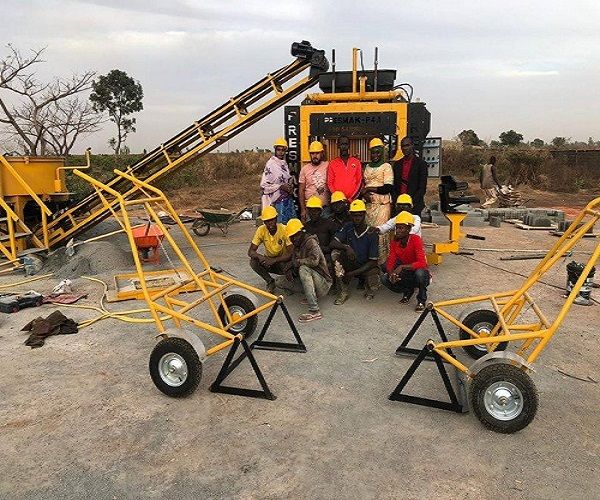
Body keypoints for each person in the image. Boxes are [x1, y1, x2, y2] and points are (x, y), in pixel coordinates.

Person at [275, 219, 332, 323]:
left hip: (323, 283)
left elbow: (314, 261)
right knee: (279, 281)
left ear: (301, 232)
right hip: (312, 280)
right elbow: (294, 261)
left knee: (303, 269)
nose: (293, 239)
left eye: (296, 235)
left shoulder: (311, 242)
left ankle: (315, 311)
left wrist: (297, 262)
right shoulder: (297, 246)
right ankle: (311, 296)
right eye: (291, 237)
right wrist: (290, 268)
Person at [329, 199, 380, 304]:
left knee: (373, 275)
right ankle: (343, 291)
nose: (357, 218)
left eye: (360, 215)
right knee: (335, 254)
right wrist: (346, 247)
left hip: (365, 265)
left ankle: (368, 287)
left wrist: (351, 274)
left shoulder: (372, 233)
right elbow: (333, 243)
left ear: (364, 215)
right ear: (350, 215)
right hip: (352, 261)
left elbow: (373, 261)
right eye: (354, 215)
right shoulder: (348, 226)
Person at [381, 211, 430, 312]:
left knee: (420, 273)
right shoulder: (395, 241)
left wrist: (402, 267)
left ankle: (421, 299)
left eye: (401, 228)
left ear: (409, 229)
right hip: (407, 271)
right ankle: (408, 290)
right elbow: (391, 259)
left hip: (418, 270)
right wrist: (391, 274)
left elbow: (422, 263)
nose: (397, 231)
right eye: (397, 228)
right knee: (385, 278)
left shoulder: (416, 239)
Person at [362, 137, 394, 262]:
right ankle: (370, 261)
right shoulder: (367, 167)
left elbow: (387, 188)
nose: (375, 155)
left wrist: (369, 189)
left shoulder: (386, 167)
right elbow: (363, 185)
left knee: (380, 234)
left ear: (382, 152)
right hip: (369, 206)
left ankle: (382, 262)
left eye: (378, 152)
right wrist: (365, 194)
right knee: (368, 233)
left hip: (382, 205)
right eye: (373, 152)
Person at [248, 206, 291, 293]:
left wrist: (274, 260)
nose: (270, 223)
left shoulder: (284, 229)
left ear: (276, 219)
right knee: (253, 262)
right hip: (269, 260)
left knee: (287, 265)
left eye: (272, 220)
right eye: (267, 221)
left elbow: (290, 253)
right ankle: (270, 282)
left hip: (283, 261)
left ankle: (288, 284)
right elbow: (251, 251)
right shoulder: (261, 230)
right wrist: (261, 257)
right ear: (264, 222)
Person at [260, 137, 296, 223]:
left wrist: (290, 185)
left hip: (287, 199)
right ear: (275, 150)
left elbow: (286, 178)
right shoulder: (271, 164)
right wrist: (280, 187)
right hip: (277, 201)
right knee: (280, 226)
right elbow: (264, 185)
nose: (281, 152)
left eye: (283, 150)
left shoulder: (284, 164)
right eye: (279, 150)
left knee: (291, 224)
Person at [392, 136, 428, 216]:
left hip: (414, 205)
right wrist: (397, 201)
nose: (405, 148)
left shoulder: (421, 164)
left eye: (407, 145)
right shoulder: (397, 165)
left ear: (412, 145)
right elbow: (393, 186)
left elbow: (422, 188)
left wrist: (410, 203)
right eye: (403, 146)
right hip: (399, 205)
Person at [299, 141, 330, 221]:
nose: (315, 156)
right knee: (310, 233)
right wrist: (303, 210)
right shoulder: (304, 169)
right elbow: (301, 190)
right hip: (310, 209)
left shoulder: (328, 165)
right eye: (312, 153)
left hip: (325, 208)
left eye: (317, 153)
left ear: (322, 153)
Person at [327, 135, 363, 202]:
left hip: (353, 200)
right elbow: (330, 183)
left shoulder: (356, 162)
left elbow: (359, 182)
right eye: (341, 144)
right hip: (338, 202)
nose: (344, 147)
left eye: (346, 144)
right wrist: (338, 198)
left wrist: (351, 198)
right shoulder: (332, 163)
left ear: (349, 146)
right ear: (338, 146)